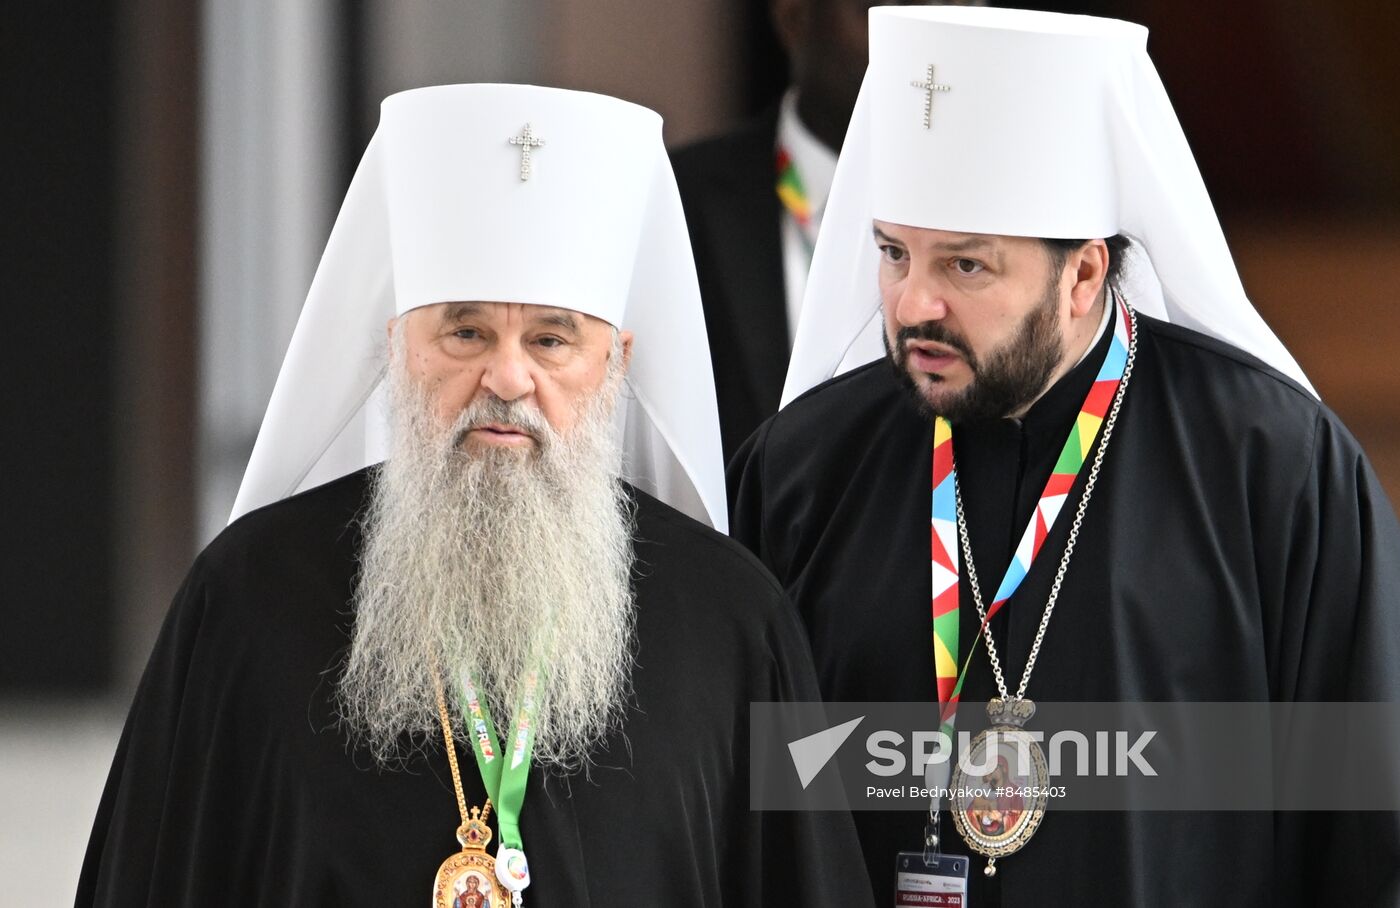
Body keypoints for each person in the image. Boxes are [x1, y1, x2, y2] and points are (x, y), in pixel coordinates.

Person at [77, 84, 870, 907]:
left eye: (552, 339)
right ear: (395, 349)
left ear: (618, 363)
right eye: (465, 332)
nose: (507, 377)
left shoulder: (738, 624)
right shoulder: (244, 599)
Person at [728, 7, 1400, 906]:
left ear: (1084, 273)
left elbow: (1363, 836)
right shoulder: (806, 467)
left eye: (966, 268)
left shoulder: (1274, 465)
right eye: (894, 255)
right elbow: (750, 814)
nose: (914, 306)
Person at [672, 0, 985, 463]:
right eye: (887, 11)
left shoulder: (1019, 220)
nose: (926, 40)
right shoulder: (679, 197)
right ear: (794, 16)